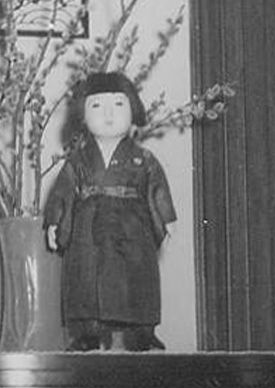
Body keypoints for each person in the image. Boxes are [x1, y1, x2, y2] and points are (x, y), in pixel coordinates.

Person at [43, 72, 176, 351]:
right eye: (96, 106)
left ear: (133, 110)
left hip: (133, 225)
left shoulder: (144, 159)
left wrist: (166, 217)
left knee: (138, 275)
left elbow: (157, 188)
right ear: (82, 115)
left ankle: (143, 331)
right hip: (88, 227)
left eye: (118, 105)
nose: (108, 115)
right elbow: (64, 193)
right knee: (85, 277)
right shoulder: (78, 161)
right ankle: (87, 333)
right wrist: (54, 222)